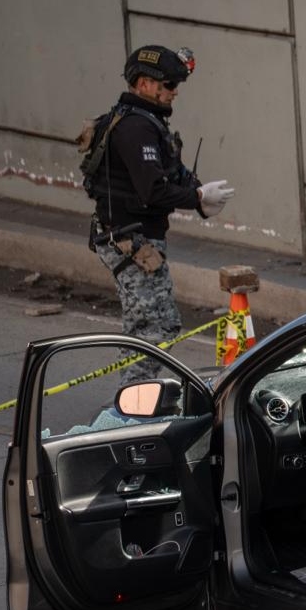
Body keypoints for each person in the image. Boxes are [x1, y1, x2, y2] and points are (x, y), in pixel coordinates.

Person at [84, 45, 235, 383]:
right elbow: (152, 190)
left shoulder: (146, 122)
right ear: (144, 84)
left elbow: (170, 173)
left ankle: (132, 395)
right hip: (130, 241)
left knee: (146, 325)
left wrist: (198, 195)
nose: (174, 92)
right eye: (168, 84)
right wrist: (197, 197)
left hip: (136, 238)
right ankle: (132, 399)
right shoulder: (136, 128)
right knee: (156, 326)